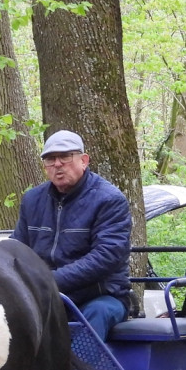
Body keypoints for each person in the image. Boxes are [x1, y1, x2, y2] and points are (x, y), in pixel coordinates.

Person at [11, 129, 132, 340]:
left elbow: (106, 256)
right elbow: (17, 248)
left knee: (96, 313)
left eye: (65, 157)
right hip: (46, 294)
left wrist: (49, 280)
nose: (57, 164)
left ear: (84, 160)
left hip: (100, 296)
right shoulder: (32, 199)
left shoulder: (109, 200)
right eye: (50, 159)